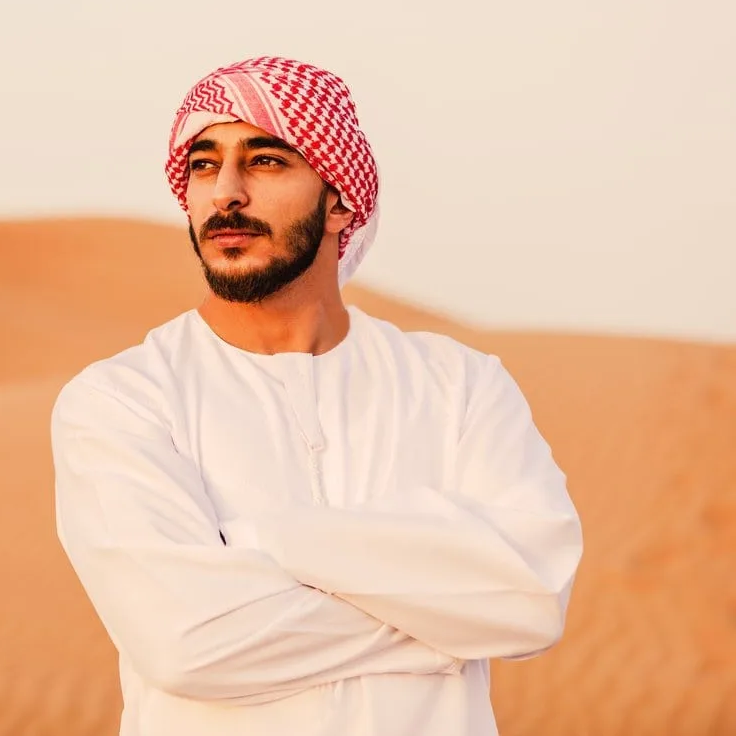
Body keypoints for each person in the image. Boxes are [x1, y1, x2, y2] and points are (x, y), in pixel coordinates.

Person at [50, 56, 583, 736]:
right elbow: (188, 643)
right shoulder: (123, 400)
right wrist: (448, 617)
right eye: (204, 165)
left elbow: (531, 599)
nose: (226, 195)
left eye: (266, 161)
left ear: (340, 201)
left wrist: (267, 539)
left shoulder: (461, 385)